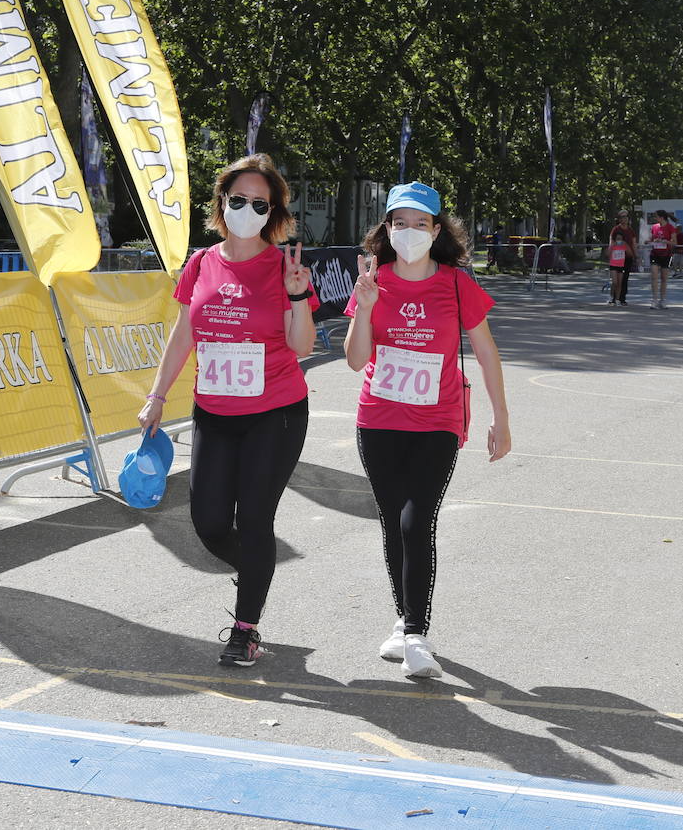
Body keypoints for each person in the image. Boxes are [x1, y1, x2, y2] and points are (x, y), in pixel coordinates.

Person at [138, 153, 316, 668]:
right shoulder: (202, 262)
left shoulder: (285, 267)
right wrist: (157, 394)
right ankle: (257, 575)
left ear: (274, 210)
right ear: (221, 204)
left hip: (275, 413)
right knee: (210, 524)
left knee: (255, 521)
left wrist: (298, 295)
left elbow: (302, 346)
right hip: (213, 412)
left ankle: (245, 629)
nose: (246, 209)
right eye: (237, 200)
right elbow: (184, 332)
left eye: (259, 203)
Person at [344, 182, 511, 679]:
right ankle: (403, 621)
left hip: (437, 420)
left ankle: (416, 633)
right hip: (379, 421)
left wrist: (501, 418)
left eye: (421, 224)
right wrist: (368, 303)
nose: (410, 232)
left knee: (418, 522)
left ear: (436, 230)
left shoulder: (457, 284)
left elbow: (485, 351)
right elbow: (355, 361)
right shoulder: (375, 280)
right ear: (387, 229)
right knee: (393, 522)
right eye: (400, 223)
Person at [647, 209, 676, 308]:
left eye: (656, 216)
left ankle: (662, 300)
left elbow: (674, 242)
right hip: (655, 254)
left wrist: (665, 241)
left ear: (661, 217)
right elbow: (650, 239)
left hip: (666, 254)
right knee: (654, 276)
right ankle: (654, 299)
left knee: (664, 278)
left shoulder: (670, 227)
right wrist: (648, 241)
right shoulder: (654, 227)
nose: (655, 218)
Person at [608, 210, 637, 304]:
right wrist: (610, 252)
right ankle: (612, 297)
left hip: (627, 257)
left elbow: (633, 243)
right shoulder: (615, 229)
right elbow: (611, 242)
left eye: (626, 217)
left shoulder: (631, 230)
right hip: (617, 257)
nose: (624, 219)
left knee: (624, 279)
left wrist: (635, 255)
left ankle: (622, 298)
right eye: (622, 217)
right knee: (615, 280)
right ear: (619, 219)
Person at [607, 231, 631, 305]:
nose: (619, 240)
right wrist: (612, 246)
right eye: (617, 238)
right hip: (613, 265)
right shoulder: (613, 245)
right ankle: (611, 298)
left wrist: (626, 246)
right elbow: (607, 254)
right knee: (614, 282)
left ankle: (617, 299)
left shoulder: (624, 245)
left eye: (620, 238)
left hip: (621, 265)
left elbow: (630, 253)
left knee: (619, 283)